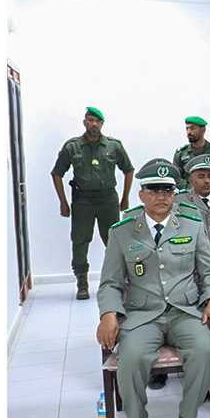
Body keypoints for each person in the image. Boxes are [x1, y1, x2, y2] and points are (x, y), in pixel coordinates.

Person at [95, 159, 210, 418]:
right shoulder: (122, 232)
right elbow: (110, 283)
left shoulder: (192, 226)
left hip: (185, 311)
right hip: (143, 315)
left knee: (204, 351)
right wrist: (108, 314)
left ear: (174, 194)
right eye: (154, 190)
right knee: (132, 357)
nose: (161, 196)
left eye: (167, 190)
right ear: (142, 194)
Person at [52, 106, 135, 300]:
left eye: (97, 121)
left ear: (102, 124)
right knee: (80, 241)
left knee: (114, 240)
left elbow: (128, 170)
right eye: (90, 120)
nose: (94, 124)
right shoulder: (72, 147)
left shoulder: (113, 146)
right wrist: (63, 202)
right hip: (83, 201)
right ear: (85, 122)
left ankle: (118, 281)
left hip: (108, 200)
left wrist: (125, 197)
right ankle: (82, 282)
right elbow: (57, 173)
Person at [172, 116, 210, 190]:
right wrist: (191, 190)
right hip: (188, 194)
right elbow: (176, 177)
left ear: (203, 130)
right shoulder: (181, 153)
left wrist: (209, 189)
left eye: (192, 128)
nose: (189, 132)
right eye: (187, 129)